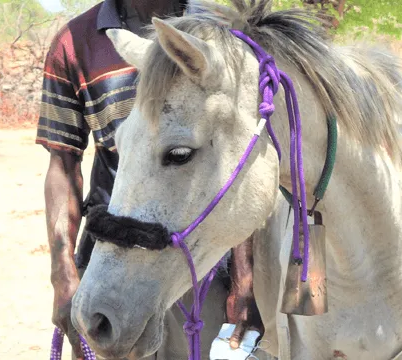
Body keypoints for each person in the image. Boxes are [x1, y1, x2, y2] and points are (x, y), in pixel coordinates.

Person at [36, 0, 262, 358]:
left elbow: (243, 162)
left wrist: (243, 283)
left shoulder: (220, 27)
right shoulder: (74, 41)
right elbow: (63, 163)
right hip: (109, 262)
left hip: (199, 257)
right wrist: (63, 277)